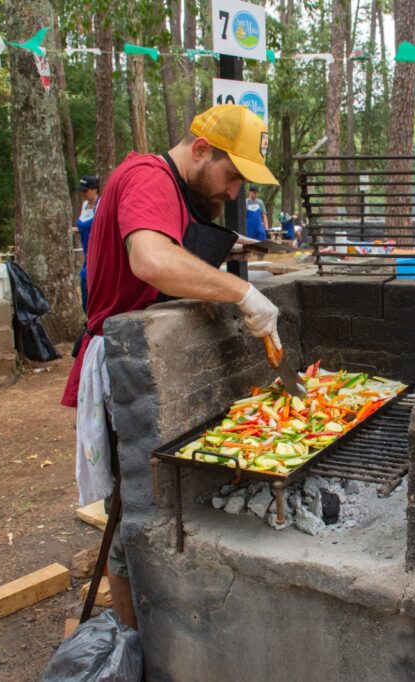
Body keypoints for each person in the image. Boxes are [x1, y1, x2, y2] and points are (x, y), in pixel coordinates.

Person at [61, 104, 280, 630]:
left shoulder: (176, 190)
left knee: (139, 503)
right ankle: (133, 641)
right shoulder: (148, 177)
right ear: (201, 149)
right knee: (131, 511)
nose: (234, 192)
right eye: (232, 176)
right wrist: (243, 292)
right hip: (124, 369)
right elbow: (152, 260)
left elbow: (174, 247)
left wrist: (233, 251)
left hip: (151, 360)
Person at [69, 176, 100, 310]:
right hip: (87, 253)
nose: (83, 194)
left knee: (87, 281)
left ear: (94, 190)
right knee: (85, 286)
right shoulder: (84, 206)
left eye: (85, 191)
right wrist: (75, 230)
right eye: (81, 191)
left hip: (98, 253)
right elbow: (85, 227)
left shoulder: (101, 205)